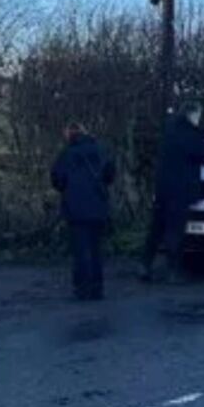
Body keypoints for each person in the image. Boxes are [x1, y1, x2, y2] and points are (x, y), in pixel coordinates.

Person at [141, 100, 204, 282]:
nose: (199, 119)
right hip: (180, 189)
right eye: (199, 115)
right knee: (175, 230)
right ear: (193, 114)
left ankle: (144, 265)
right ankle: (173, 271)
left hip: (163, 187)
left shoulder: (171, 130)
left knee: (157, 228)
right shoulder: (189, 134)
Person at [51, 122, 116, 300]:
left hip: (76, 208)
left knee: (81, 249)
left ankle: (82, 288)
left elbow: (57, 179)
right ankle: (97, 287)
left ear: (69, 134)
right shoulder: (100, 150)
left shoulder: (67, 154)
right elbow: (110, 174)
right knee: (96, 249)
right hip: (98, 206)